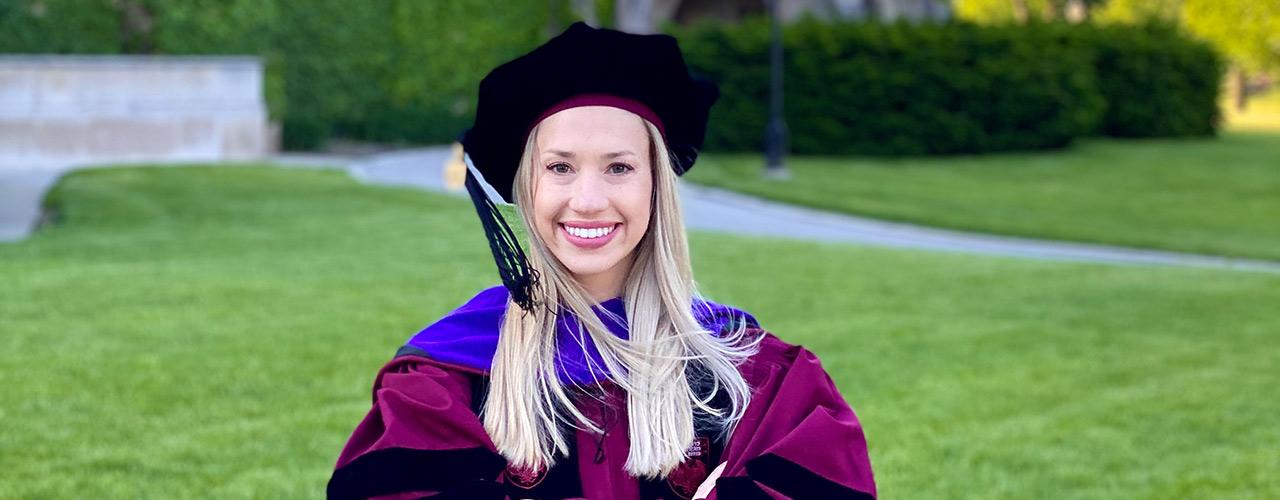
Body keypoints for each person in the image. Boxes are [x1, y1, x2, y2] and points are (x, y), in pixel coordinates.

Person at [327, 23, 875, 500]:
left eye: (619, 168)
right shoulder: (446, 379)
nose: (588, 200)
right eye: (560, 168)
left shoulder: (753, 374)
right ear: (527, 186)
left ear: (656, 186)